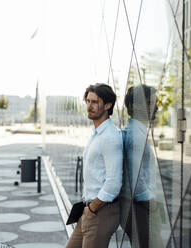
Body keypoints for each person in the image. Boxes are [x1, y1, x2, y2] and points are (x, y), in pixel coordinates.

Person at [66, 83, 123, 248]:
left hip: (100, 212)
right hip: (88, 210)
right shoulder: (98, 134)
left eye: (95, 102)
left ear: (107, 105)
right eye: (88, 101)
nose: (89, 106)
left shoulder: (110, 137)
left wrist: (91, 209)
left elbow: (113, 183)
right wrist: (87, 210)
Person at [120, 84, 164, 248]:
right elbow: (136, 182)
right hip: (139, 208)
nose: (157, 108)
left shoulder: (134, 131)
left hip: (137, 206)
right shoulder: (136, 136)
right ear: (137, 105)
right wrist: (152, 205)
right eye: (152, 102)